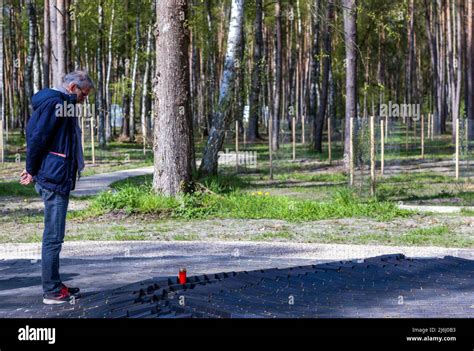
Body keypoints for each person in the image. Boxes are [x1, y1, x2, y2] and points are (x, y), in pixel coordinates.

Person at [20, 71, 94, 304]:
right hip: (53, 177)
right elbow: (37, 137)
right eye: (84, 94)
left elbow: (64, 136)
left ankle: (55, 284)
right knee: (53, 237)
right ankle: (51, 291)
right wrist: (31, 169)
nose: (85, 99)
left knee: (56, 236)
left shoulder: (64, 103)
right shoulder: (54, 103)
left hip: (57, 175)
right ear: (73, 87)